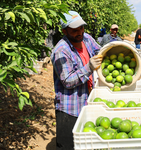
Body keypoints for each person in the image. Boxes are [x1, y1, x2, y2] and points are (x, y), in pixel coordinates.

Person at [51, 11, 102, 150]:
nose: (79, 32)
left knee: (86, 142)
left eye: (81, 27)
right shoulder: (61, 51)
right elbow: (67, 80)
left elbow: (99, 51)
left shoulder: (86, 39)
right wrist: (88, 68)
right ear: (64, 31)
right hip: (71, 108)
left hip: (88, 101)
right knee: (69, 145)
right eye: (74, 30)